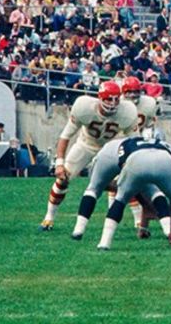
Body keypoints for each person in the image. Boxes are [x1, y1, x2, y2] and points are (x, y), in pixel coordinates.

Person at [39, 81, 138, 231]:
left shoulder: (128, 111)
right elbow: (65, 136)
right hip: (86, 145)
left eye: (116, 99)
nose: (112, 103)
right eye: (108, 99)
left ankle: (137, 222)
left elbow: (135, 142)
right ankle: (49, 218)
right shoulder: (84, 106)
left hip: (111, 148)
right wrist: (59, 163)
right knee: (63, 178)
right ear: (100, 98)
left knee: (125, 182)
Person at [97, 138, 171, 251]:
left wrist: (140, 201)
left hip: (136, 161)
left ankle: (104, 243)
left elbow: (125, 178)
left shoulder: (129, 144)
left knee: (120, 200)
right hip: (164, 162)